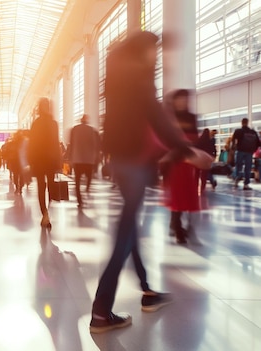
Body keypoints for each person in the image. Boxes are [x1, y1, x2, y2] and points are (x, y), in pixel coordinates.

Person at [91, 31, 195, 334]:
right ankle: (101, 311)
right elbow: (159, 119)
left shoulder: (116, 78)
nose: (157, 56)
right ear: (143, 51)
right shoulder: (139, 77)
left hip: (121, 161)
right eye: (154, 49)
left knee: (130, 228)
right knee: (124, 235)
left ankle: (148, 290)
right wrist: (188, 149)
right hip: (136, 163)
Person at [163, 89, 201, 244]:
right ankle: (178, 228)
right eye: (180, 99)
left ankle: (176, 223)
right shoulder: (170, 117)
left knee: (186, 193)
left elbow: (195, 138)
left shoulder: (191, 117)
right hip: (174, 161)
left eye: (185, 99)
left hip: (188, 161)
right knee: (177, 194)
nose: (183, 102)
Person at [27, 97, 62, 227]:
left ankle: (45, 214)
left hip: (40, 161)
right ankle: (46, 213)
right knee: (50, 186)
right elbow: (56, 144)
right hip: (50, 161)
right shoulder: (53, 123)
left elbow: (32, 144)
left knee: (42, 187)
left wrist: (31, 161)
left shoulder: (36, 123)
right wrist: (58, 161)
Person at [68, 114, 100, 208]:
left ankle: (79, 200)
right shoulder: (91, 130)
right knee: (89, 177)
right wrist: (95, 157)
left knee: (77, 181)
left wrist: (70, 158)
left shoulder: (74, 129)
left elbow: (72, 144)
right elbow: (94, 144)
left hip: (77, 159)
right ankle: (87, 189)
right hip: (88, 159)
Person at [231, 117, 261, 190]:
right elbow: (258, 143)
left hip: (240, 151)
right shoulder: (253, 132)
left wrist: (233, 148)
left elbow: (233, 140)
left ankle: (237, 180)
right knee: (248, 168)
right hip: (249, 153)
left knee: (238, 166)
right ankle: (246, 185)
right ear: (247, 123)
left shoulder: (238, 131)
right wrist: (253, 150)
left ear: (242, 123)